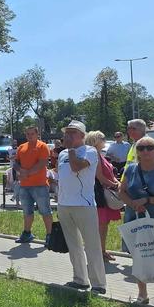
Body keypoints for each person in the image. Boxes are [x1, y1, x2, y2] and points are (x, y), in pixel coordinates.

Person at [57, 121, 106, 295]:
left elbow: (76, 167)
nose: (67, 136)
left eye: (72, 133)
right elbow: (61, 177)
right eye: (66, 133)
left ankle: (99, 284)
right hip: (64, 205)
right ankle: (80, 280)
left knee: (92, 245)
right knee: (73, 245)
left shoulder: (90, 151)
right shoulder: (62, 153)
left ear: (82, 136)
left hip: (84, 205)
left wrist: (71, 150)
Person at [118, 136, 154, 304]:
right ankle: (142, 295)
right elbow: (121, 191)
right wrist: (133, 204)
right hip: (135, 218)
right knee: (138, 255)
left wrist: (147, 201)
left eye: (149, 147)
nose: (145, 151)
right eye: (141, 148)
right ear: (137, 152)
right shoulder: (131, 169)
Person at [85, 131, 122, 261]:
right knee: (101, 225)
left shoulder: (99, 154)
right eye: (103, 138)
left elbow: (108, 174)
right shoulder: (94, 154)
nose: (105, 140)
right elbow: (100, 177)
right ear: (96, 140)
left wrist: (117, 182)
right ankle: (99, 253)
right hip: (99, 194)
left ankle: (101, 251)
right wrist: (116, 185)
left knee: (103, 224)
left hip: (104, 192)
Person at [14, 126, 53, 244]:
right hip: (24, 186)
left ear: (37, 134)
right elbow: (16, 162)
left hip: (40, 185)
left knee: (45, 211)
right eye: (27, 134)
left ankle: (50, 235)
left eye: (32, 134)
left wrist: (27, 173)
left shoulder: (42, 146)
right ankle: (27, 233)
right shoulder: (21, 147)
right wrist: (20, 171)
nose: (30, 136)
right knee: (27, 211)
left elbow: (42, 163)